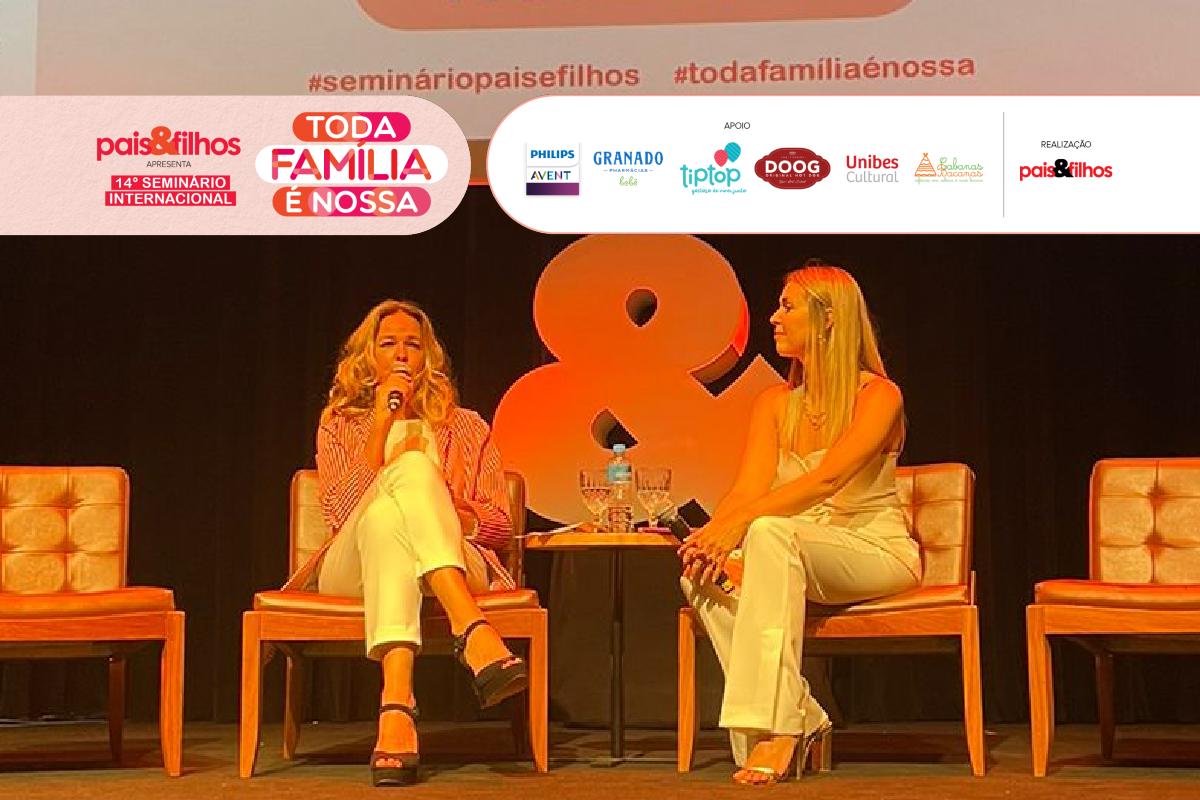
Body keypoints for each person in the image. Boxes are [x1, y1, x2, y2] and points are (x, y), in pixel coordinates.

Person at [678, 261, 921, 785]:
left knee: (769, 531)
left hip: (870, 549)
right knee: (701, 576)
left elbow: (827, 481)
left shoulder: (879, 396)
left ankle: (779, 730)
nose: (773, 317)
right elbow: (747, 490)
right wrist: (714, 538)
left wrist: (740, 526)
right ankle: (800, 715)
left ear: (829, 318)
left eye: (787, 306)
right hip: (789, 549)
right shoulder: (773, 404)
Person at [290, 299, 526, 787]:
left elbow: (500, 525)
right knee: (400, 484)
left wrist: (447, 510)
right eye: (388, 343)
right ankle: (472, 630)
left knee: (387, 519)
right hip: (352, 569)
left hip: (457, 555)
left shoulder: (467, 427)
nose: (401, 354)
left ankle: (396, 706)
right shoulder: (339, 422)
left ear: (428, 357)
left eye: (412, 344)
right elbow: (339, 513)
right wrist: (381, 425)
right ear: (369, 355)